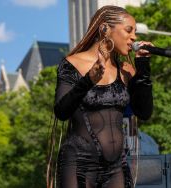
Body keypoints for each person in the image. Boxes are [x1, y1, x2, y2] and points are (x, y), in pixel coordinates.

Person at [51, 5, 153, 188]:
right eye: (128, 30)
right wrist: (88, 81)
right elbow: (61, 111)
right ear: (105, 29)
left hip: (116, 168)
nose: (134, 37)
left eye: (135, 32)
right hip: (79, 165)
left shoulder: (126, 70)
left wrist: (143, 67)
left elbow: (144, 112)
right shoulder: (72, 64)